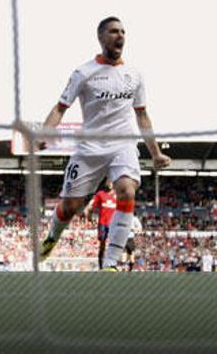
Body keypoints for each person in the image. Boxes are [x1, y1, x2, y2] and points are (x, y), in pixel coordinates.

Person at [38, 16, 171, 271]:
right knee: (71, 206)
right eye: (113, 31)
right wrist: (46, 133)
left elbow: (142, 115)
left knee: (127, 191)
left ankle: (110, 263)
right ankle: (52, 236)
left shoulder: (134, 75)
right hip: (89, 149)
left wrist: (155, 153)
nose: (119, 35)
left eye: (122, 31)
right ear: (101, 37)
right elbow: (60, 107)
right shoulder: (83, 73)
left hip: (122, 144)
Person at [83, 179, 117, 269]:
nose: (110, 183)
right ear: (105, 183)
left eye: (111, 182)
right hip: (102, 223)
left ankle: (112, 265)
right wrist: (89, 216)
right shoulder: (100, 194)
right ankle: (100, 265)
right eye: (108, 182)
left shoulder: (118, 195)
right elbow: (90, 207)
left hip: (113, 224)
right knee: (102, 244)